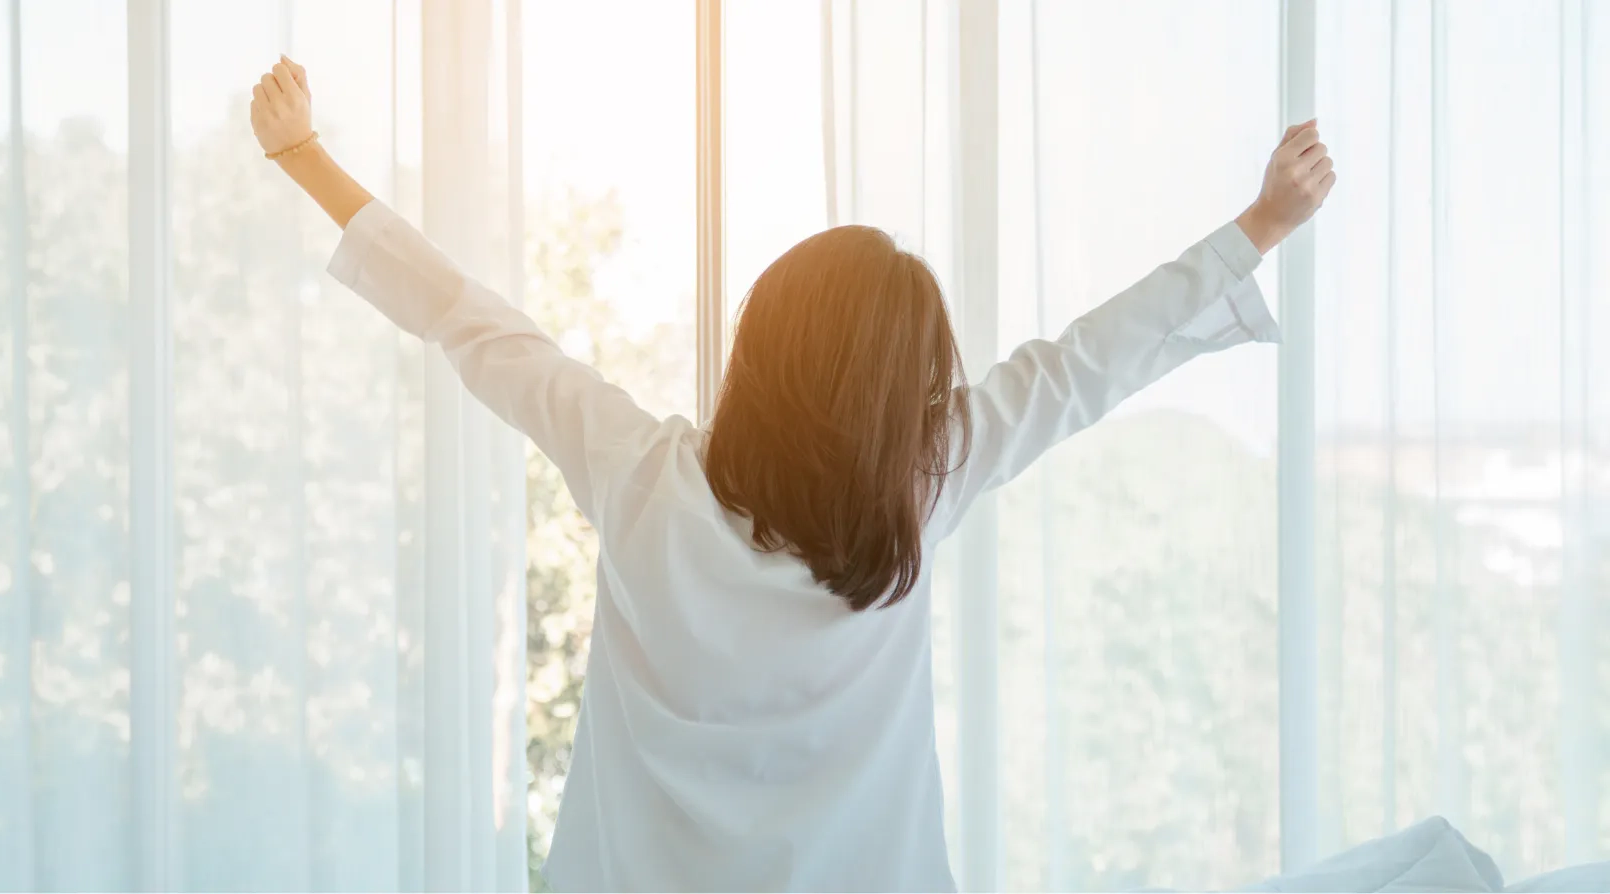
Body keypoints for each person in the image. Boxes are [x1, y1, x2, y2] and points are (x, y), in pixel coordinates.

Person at [249, 55, 1334, 892]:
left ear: (757, 349)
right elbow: (1084, 366)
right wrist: (1261, 228)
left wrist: (305, 158)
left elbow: (472, 323)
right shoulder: (920, 486)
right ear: (898, 391)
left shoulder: (637, 474)